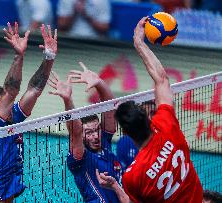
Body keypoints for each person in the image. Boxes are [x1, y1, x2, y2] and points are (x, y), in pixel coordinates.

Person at [96, 17, 203, 203]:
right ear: (147, 118)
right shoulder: (167, 127)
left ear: (126, 133)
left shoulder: (133, 176)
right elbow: (161, 79)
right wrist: (139, 43)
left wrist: (114, 186)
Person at [0, 23, 57, 202]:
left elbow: (35, 89)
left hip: (8, 191)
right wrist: (18, 55)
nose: (4, 106)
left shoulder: (13, 118)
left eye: (4, 102)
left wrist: (49, 57)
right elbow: (11, 90)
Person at [47, 62, 122, 202]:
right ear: (82, 135)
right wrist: (68, 101)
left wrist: (99, 83)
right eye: (88, 132)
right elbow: (75, 132)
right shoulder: (79, 159)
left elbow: (110, 108)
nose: (95, 136)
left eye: (97, 130)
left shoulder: (104, 142)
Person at [116, 100, 155, 171]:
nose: (149, 117)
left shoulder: (164, 133)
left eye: (153, 113)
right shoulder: (123, 142)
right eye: (146, 113)